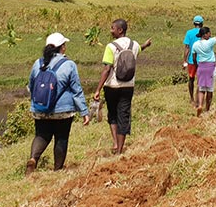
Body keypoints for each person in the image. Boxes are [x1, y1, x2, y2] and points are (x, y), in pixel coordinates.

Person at [26, 32, 90, 175]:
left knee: (41, 135)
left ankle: (33, 158)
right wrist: (84, 112)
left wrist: (37, 102)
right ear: (62, 48)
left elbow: (31, 85)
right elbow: (76, 90)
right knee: (61, 137)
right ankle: (57, 170)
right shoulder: (69, 65)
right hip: (63, 111)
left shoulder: (38, 63)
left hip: (40, 108)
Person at [93, 19, 152, 155]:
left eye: (112, 28)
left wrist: (98, 89)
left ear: (120, 30)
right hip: (128, 86)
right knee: (124, 115)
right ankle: (120, 149)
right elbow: (139, 49)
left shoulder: (111, 46)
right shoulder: (135, 45)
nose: (111, 30)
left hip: (112, 86)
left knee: (112, 114)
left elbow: (107, 69)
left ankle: (115, 142)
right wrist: (146, 45)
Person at [183, 15, 204, 107]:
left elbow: (187, 48)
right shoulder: (204, 32)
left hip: (191, 61)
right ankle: (198, 99)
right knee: (200, 80)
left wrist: (185, 60)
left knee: (191, 79)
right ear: (202, 24)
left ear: (194, 23)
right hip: (202, 60)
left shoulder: (189, 33)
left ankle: (192, 98)